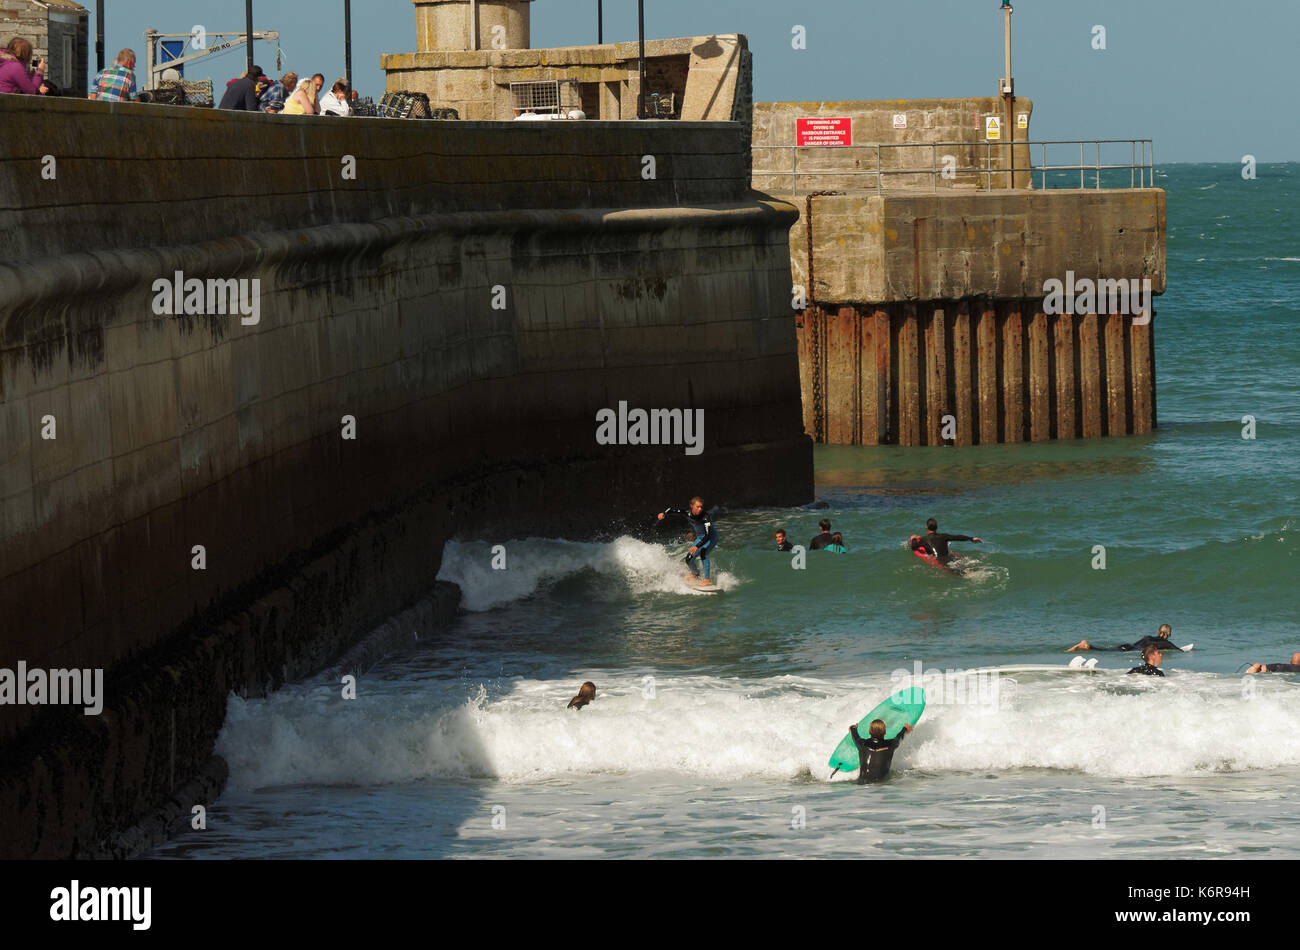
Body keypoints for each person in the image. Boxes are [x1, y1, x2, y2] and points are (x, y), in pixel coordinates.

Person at [657, 496, 719, 586]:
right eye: (697, 507)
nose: (700, 509)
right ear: (691, 506)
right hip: (700, 537)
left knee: (703, 553)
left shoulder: (705, 517)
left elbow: (708, 535)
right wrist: (663, 513)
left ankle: (707, 580)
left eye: (701, 507)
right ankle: (695, 574)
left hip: (711, 537)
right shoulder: (687, 513)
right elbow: (672, 510)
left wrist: (697, 546)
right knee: (689, 559)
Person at [848, 719, 913, 784]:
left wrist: (853, 728)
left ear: (869, 731)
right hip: (881, 786)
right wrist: (905, 729)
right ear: (884, 732)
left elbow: (855, 736)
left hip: (861, 785)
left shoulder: (862, 744)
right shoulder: (891, 745)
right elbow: (899, 737)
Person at [1068, 623, 1182, 653]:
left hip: (1127, 646)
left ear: (1158, 631)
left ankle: (1088, 646)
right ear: (1169, 635)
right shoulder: (1167, 643)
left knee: (1106, 650)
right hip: (1130, 651)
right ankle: (1087, 646)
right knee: (1104, 651)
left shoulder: (1147, 637)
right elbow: (1179, 650)